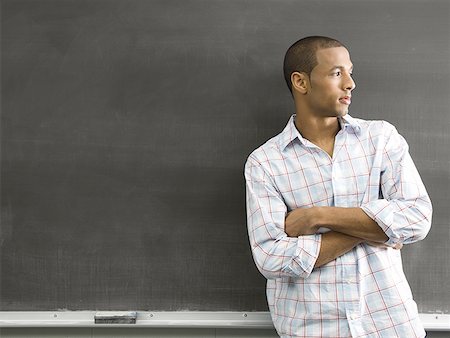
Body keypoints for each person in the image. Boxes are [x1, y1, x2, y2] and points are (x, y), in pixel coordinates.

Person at [244, 36, 432, 338]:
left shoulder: (381, 138)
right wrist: (374, 228)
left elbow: (417, 219)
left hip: (390, 324)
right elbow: (271, 255)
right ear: (301, 82)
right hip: (312, 330)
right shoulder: (266, 162)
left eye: (350, 71)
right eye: (337, 73)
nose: (351, 83)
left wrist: (318, 217)